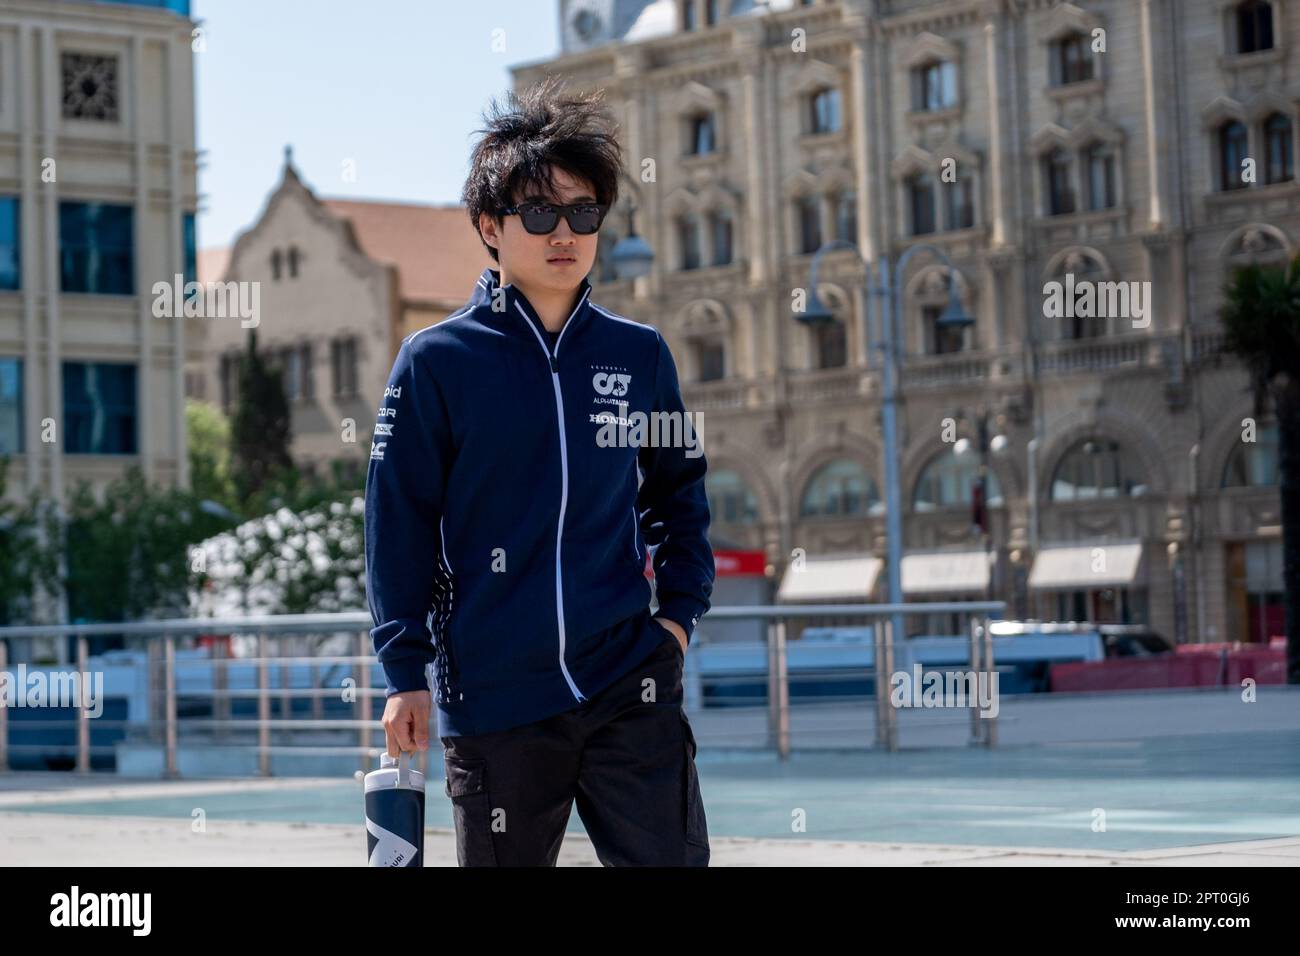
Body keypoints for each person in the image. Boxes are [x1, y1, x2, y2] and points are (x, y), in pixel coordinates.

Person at [363, 76, 715, 866]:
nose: (565, 231)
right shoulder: (436, 363)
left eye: (584, 212)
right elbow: (398, 526)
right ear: (490, 226)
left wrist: (677, 622)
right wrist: (404, 672)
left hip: (632, 680)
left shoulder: (639, 354)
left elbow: (678, 495)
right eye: (539, 212)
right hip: (497, 694)